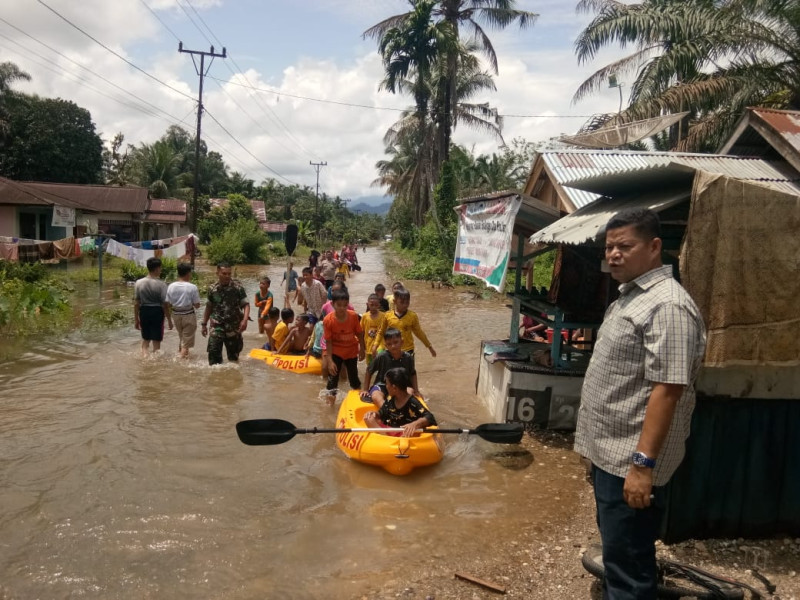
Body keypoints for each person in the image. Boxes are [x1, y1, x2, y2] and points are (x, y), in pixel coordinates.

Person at [575, 208, 706, 599]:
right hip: (609, 455)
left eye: (624, 246)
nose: (613, 254)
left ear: (653, 247)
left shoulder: (667, 306)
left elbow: (668, 390)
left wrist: (642, 467)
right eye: (609, 247)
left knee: (630, 565)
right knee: (620, 552)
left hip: (630, 460)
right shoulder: (629, 298)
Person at [322, 287, 365, 405]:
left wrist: (362, 350)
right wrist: (330, 361)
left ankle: (357, 403)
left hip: (351, 352)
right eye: (339, 305)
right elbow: (328, 342)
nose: (342, 308)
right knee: (332, 382)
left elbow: (360, 334)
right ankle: (329, 410)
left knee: (354, 380)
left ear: (348, 305)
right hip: (336, 352)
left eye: (345, 305)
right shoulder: (328, 320)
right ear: (332, 304)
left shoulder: (353, 316)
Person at [201, 263, 250, 365]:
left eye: (229, 273)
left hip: (233, 326)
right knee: (213, 355)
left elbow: (245, 304)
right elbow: (209, 307)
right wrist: (204, 324)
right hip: (216, 325)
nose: (227, 276)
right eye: (224, 273)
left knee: (233, 358)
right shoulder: (212, 289)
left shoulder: (237, 287)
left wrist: (245, 320)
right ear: (217, 273)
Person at [364, 367, 435, 437]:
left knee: (413, 431)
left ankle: (391, 440)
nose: (386, 387)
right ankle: (386, 438)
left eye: (387, 384)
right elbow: (382, 412)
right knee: (369, 418)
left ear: (394, 388)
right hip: (389, 431)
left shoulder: (413, 402)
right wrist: (374, 413)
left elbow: (430, 417)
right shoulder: (390, 399)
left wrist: (415, 424)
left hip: (404, 432)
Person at [361, 327, 419, 406]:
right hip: (382, 385)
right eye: (389, 344)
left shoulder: (408, 357)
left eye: (396, 342)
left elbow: (413, 374)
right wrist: (365, 389)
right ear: (385, 345)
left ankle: (400, 410)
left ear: (402, 342)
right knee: (376, 395)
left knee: (410, 392)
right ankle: (387, 411)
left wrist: (416, 390)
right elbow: (369, 370)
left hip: (401, 386)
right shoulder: (381, 356)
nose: (393, 346)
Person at [134, 257, 173, 357]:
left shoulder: (138, 283)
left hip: (144, 312)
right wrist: (169, 319)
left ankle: (145, 359)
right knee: (156, 341)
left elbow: (136, 303)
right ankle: (154, 364)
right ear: (156, 269)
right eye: (160, 268)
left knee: (145, 340)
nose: (161, 270)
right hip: (157, 312)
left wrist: (136, 320)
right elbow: (165, 304)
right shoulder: (162, 284)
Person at [381, 288, 436, 357]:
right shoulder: (387, 315)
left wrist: (429, 347)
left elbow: (419, 333)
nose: (405, 305)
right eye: (402, 302)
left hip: (408, 350)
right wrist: (376, 345)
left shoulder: (412, 316)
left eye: (407, 302)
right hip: (392, 349)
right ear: (394, 301)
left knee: (409, 368)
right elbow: (381, 332)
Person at [166, 262, 200, 359]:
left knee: (182, 338)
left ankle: (183, 356)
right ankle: (180, 362)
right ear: (188, 273)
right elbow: (197, 305)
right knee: (186, 342)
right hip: (188, 315)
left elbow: (168, 303)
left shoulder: (171, 286)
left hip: (176, 314)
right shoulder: (192, 287)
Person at [361, 293, 387, 365]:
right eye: (372, 305)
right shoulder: (364, 316)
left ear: (379, 305)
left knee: (380, 359)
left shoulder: (383, 316)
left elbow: (387, 330)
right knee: (370, 367)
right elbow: (361, 332)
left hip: (380, 344)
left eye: (376, 305)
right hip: (368, 345)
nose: (373, 307)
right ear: (367, 304)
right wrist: (361, 346)